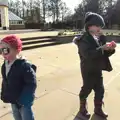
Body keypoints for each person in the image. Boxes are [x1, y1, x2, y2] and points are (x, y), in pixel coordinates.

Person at [73, 12, 116, 119]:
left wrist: (110, 49)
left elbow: (102, 55)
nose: (99, 29)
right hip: (88, 70)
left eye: (100, 27)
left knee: (100, 90)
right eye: (97, 26)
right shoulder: (83, 39)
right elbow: (88, 55)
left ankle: (98, 109)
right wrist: (102, 48)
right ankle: (82, 109)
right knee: (86, 89)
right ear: (89, 26)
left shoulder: (99, 38)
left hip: (97, 69)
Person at [0, 35, 37, 120]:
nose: (3, 53)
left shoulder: (24, 66)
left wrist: (25, 100)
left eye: (5, 50)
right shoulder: (4, 65)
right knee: (16, 116)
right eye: (1, 50)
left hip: (23, 101)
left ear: (16, 50)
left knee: (27, 117)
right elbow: (5, 81)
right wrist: (4, 93)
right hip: (13, 99)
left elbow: (31, 83)